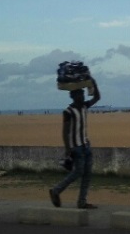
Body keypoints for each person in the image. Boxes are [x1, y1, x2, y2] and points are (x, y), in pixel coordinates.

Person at [49, 76, 101, 209]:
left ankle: (81, 201)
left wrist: (94, 83)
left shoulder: (84, 106)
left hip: (85, 144)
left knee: (87, 174)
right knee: (78, 172)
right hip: (76, 147)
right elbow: (65, 132)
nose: (82, 96)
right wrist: (68, 148)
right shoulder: (68, 112)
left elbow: (97, 98)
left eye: (82, 94)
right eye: (79, 94)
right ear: (73, 96)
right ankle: (56, 190)